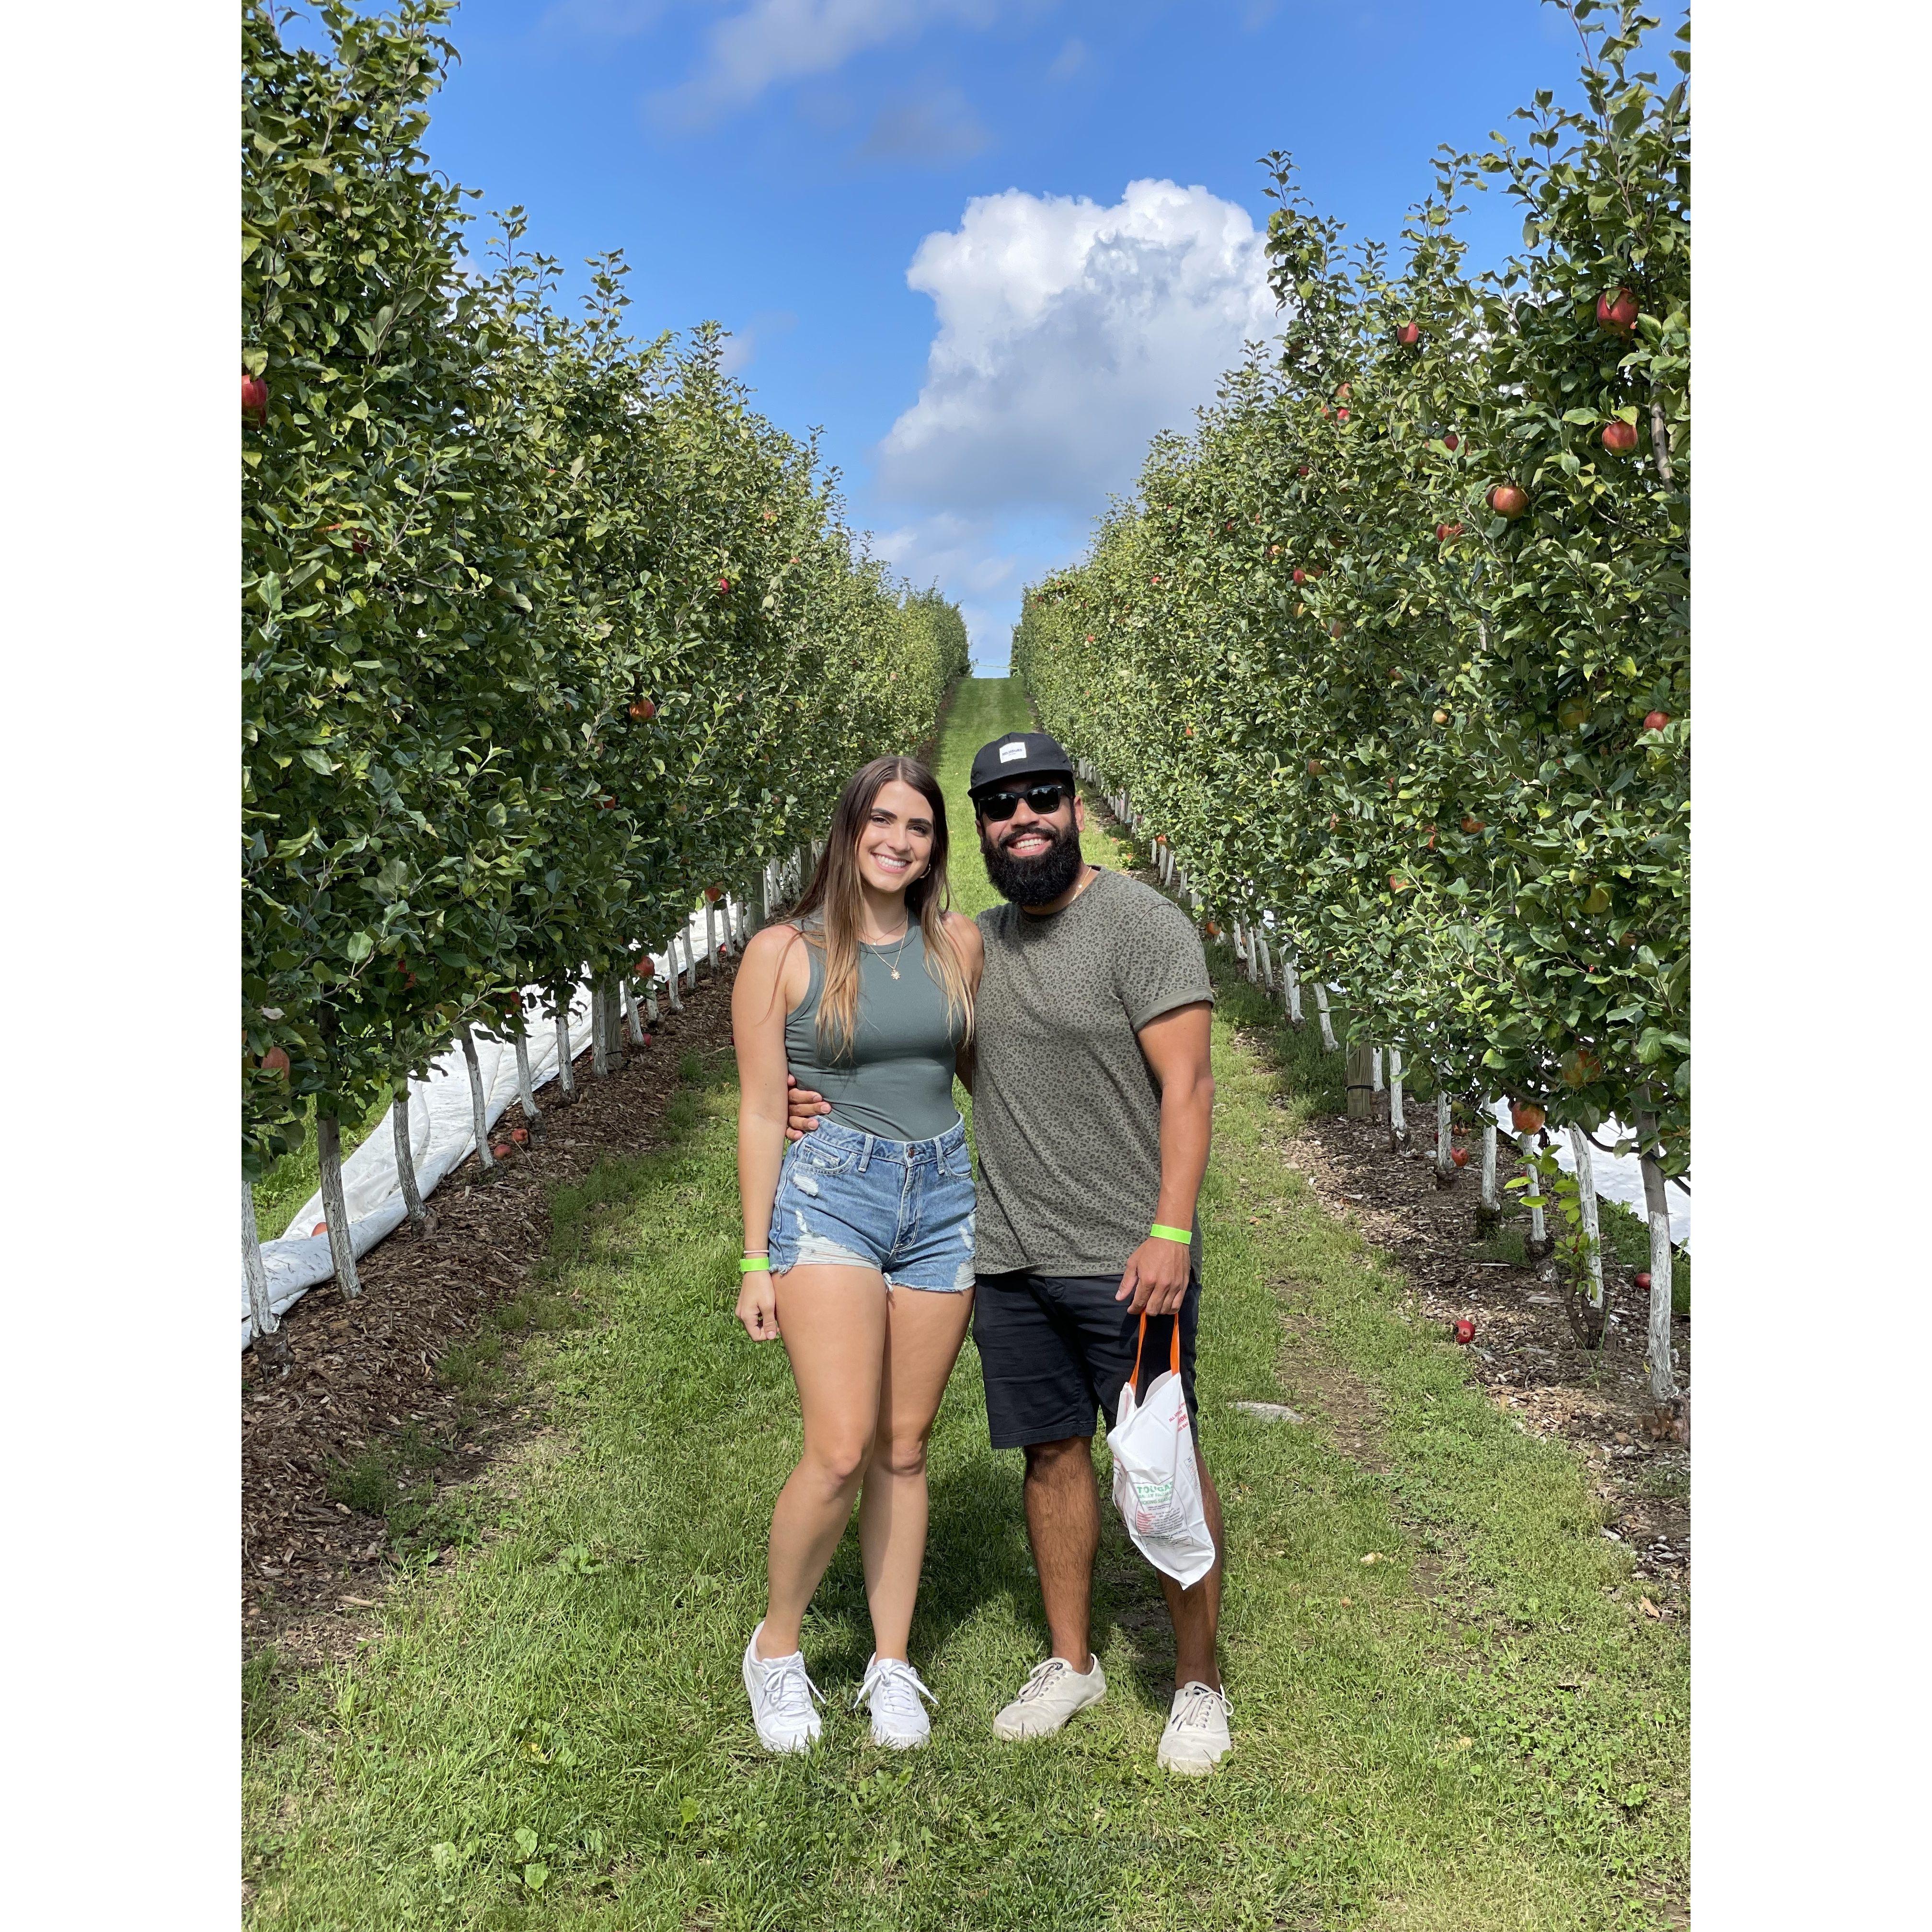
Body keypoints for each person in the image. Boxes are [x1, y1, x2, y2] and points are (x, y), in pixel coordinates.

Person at [789, 730, 1231, 1776]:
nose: (1022, 818)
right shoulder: (970, 946)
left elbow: (1191, 1086)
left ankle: (1198, 1681)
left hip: (1128, 1254)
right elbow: (899, 1048)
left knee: (1161, 1460)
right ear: (980, 831)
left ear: (1074, 806)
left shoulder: (1141, 926)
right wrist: (810, 1102)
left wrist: (1170, 1231)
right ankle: (1072, 1661)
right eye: (1000, 805)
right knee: (1051, 1454)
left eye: (1041, 797)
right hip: (1007, 1254)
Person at [730, 755, 984, 1755]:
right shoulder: (783, 954)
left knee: (904, 1446)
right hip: (831, 1194)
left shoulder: (957, 944)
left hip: (942, 1199)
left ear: (935, 846)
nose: (898, 841)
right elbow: (762, 1110)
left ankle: (890, 1661)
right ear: (850, 830)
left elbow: (976, 1069)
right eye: (882, 820)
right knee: (840, 1448)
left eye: (919, 827)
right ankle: (777, 1649)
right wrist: (755, 1259)